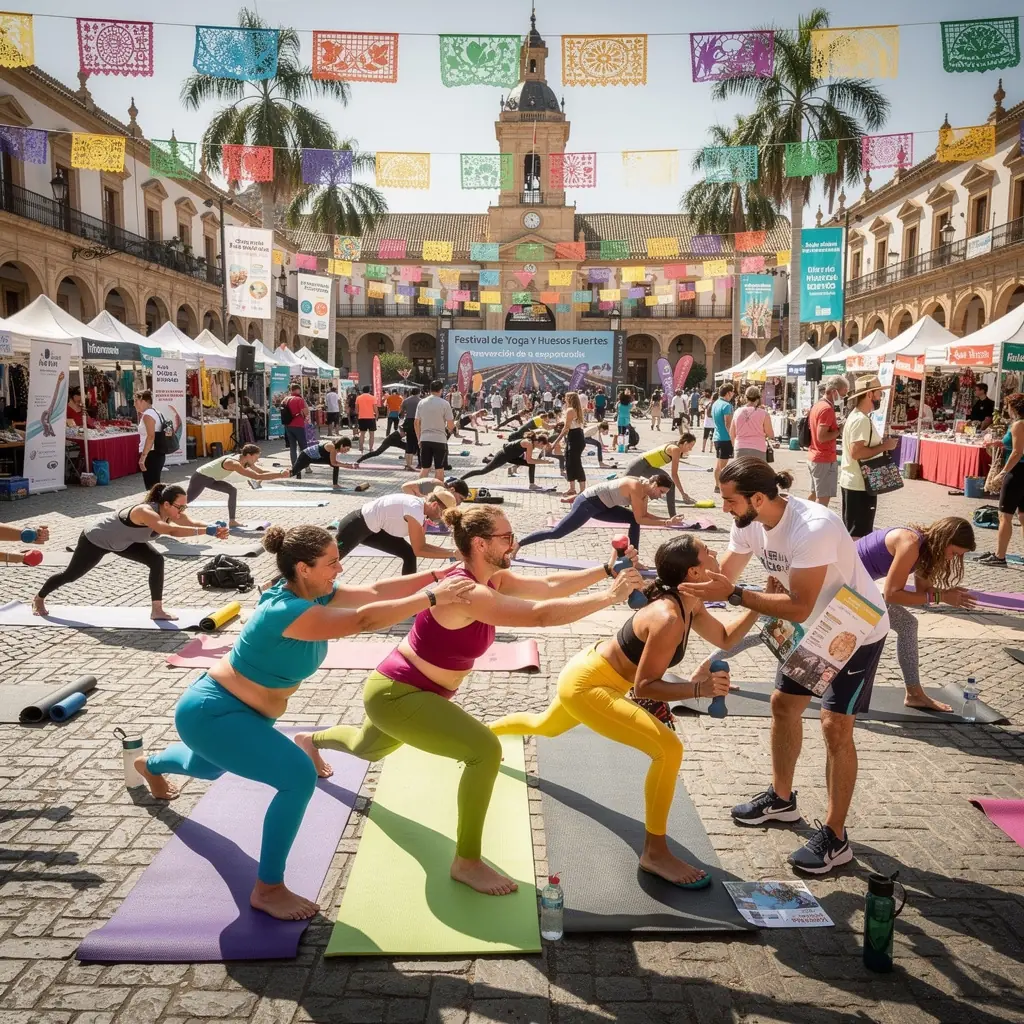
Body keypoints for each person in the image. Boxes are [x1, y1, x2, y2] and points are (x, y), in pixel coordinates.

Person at [297, 505, 643, 896]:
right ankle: (466, 861)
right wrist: (610, 597)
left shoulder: (492, 578)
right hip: (399, 693)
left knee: (367, 748)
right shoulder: (466, 591)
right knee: (485, 751)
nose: (513, 543)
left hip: (403, 690)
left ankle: (311, 740)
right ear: (480, 544)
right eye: (506, 537)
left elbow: (547, 586)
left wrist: (605, 570)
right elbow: (540, 615)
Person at [134, 524, 475, 920]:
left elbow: (376, 591)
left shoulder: (310, 593)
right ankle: (268, 889)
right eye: (332, 562)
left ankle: (150, 764)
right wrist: (432, 597)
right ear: (303, 568)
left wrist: (437, 574)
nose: (340, 569)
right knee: (297, 776)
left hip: (241, 717)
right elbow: (364, 620)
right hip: (213, 712)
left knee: (206, 767)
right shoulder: (286, 610)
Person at [491, 535, 758, 887]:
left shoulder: (690, 600)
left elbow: (724, 638)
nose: (714, 552)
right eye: (707, 552)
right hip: (587, 686)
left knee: (545, 726)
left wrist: (757, 605)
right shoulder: (668, 617)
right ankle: (654, 854)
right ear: (693, 572)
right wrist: (699, 690)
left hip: (590, 672)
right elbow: (644, 687)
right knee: (669, 750)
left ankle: (486, 734)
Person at [679, 458, 890, 875]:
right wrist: (672, 581)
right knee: (783, 705)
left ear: (758, 498)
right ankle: (781, 800)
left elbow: (798, 605)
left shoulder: (812, 526)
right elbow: (722, 575)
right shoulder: (748, 524)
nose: (724, 508)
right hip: (812, 629)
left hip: (853, 626)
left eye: (730, 500)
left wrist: (737, 595)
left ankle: (836, 836)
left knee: (834, 726)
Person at [32, 483, 230, 621]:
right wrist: (206, 531)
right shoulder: (145, 511)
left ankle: (157, 610)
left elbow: (191, 522)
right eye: (180, 506)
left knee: (156, 560)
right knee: (71, 575)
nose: (182, 510)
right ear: (166, 504)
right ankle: (39, 597)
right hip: (96, 539)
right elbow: (169, 531)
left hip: (125, 542)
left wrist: (213, 527)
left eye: (185, 506)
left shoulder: (172, 511)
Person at [857, 517, 976, 712]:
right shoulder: (910, 544)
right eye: (954, 553)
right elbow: (892, 594)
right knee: (907, 624)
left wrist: (946, 593)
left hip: (853, 584)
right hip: (839, 584)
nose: (951, 559)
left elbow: (924, 591)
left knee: (907, 624)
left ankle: (913, 693)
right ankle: (914, 693)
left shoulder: (923, 548)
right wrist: (942, 597)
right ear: (944, 540)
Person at [518, 475, 680, 552]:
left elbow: (644, 516)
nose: (660, 496)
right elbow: (641, 518)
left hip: (604, 506)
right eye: (661, 491)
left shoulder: (644, 492)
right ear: (654, 484)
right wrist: (666, 523)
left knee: (632, 520)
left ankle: (632, 558)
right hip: (588, 503)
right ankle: (519, 544)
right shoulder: (636, 487)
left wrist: (668, 519)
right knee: (557, 533)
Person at [335, 489, 459, 574]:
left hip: (373, 530)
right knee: (329, 559)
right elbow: (420, 550)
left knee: (408, 554)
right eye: (442, 514)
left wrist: (454, 553)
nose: (441, 519)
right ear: (434, 505)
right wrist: (453, 554)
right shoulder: (415, 510)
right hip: (355, 526)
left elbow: (422, 545)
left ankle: (407, 598)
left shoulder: (420, 509)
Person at [839, 375, 899, 539]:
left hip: (855, 481)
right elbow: (856, 452)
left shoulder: (857, 416)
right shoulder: (861, 420)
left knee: (855, 531)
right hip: (860, 484)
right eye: (879, 393)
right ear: (869, 394)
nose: (881, 397)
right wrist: (885, 446)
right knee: (859, 534)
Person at [187, 445, 291, 526]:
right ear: (249, 455)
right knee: (186, 500)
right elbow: (257, 476)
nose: (257, 460)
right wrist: (280, 475)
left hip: (212, 479)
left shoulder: (245, 459)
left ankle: (232, 521)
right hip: (200, 477)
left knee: (232, 491)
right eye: (256, 457)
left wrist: (280, 471)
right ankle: (175, 516)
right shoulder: (234, 463)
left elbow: (260, 471)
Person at [978, 392, 1024, 567]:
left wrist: (1004, 472)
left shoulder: (1018, 424)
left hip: (1017, 472)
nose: (1007, 409)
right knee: (1023, 516)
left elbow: (1018, 452)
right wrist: (1000, 444)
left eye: (1008, 406)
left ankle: (1000, 556)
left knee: (1005, 515)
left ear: (1014, 408)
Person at [624, 434, 697, 514]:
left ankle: (672, 515)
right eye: (690, 446)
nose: (691, 449)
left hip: (646, 466)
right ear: (685, 443)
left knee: (669, 484)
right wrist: (683, 494)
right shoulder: (675, 449)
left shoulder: (676, 447)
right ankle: (673, 516)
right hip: (638, 465)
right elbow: (674, 474)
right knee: (623, 494)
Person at [807, 376, 849, 507]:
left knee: (815, 493)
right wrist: (839, 431)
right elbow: (822, 436)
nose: (844, 397)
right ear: (834, 391)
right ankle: (817, 519)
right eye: (843, 394)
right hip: (823, 458)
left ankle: (803, 515)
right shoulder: (827, 409)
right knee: (823, 498)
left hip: (816, 456)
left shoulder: (818, 405)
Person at [461, 433, 551, 490]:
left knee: (532, 465)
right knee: (483, 471)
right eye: (542, 446)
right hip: (503, 455)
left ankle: (532, 484)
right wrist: (544, 462)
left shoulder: (532, 443)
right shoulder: (529, 444)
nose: (542, 448)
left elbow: (529, 460)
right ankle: (460, 479)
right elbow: (529, 460)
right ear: (539, 442)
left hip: (512, 457)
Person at [549, 392, 587, 501]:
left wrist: (555, 442)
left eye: (566, 398)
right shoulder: (576, 409)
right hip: (576, 436)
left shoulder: (570, 410)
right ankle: (572, 488)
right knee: (569, 462)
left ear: (569, 399)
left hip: (575, 437)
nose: (564, 399)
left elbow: (566, 429)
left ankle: (582, 490)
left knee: (576, 463)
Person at [416, 379, 455, 483]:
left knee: (425, 468)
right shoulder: (445, 404)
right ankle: (437, 491)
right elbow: (451, 425)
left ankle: (420, 490)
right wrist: (450, 430)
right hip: (440, 439)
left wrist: (419, 438)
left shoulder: (421, 402)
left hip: (425, 439)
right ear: (441, 390)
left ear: (430, 389)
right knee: (439, 469)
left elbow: (416, 422)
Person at [135, 390, 165, 489]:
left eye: (136, 401)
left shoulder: (148, 415)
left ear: (143, 401)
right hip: (157, 452)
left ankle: (158, 499)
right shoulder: (156, 412)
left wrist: (143, 457)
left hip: (151, 453)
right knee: (154, 485)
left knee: (151, 487)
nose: (135, 404)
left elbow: (151, 436)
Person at [711, 383, 735, 494]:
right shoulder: (727, 405)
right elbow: (728, 423)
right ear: (728, 393)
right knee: (723, 467)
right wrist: (733, 438)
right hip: (725, 438)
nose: (733, 394)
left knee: (719, 465)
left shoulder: (716, 403)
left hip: (717, 437)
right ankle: (722, 487)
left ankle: (717, 485)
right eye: (732, 392)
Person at [281, 384, 310, 471]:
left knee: (292, 447)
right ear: (298, 390)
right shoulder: (299, 399)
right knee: (303, 446)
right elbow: (306, 412)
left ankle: (294, 466)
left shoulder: (285, 399)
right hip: (298, 425)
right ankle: (306, 466)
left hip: (288, 425)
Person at [399, 388, 421, 471]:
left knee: (409, 442)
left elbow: (401, 413)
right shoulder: (421, 401)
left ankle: (409, 464)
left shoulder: (406, 401)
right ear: (418, 393)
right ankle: (420, 463)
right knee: (419, 442)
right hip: (418, 422)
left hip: (408, 422)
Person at [402, 477, 470, 502]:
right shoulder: (437, 487)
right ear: (452, 490)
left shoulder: (443, 492)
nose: (460, 503)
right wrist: (419, 497)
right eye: (460, 498)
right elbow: (405, 486)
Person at [355, 386, 378, 453]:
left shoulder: (358, 398)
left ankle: (361, 448)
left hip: (362, 417)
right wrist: (377, 416)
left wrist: (359, 414)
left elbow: (356, 410)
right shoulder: (373, 398)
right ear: (369, 390)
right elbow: (375, 409)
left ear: (362, 390)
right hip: (371, 418)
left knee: (362, 434)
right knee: (371, 434)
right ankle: (370, 448)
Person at [700, 390, 715, 454]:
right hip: (713, 423)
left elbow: (702, 408)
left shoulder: (707, 402)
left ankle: (703, 448)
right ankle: (710, 449)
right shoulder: (716, 404)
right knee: (712, 436)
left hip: (707, 422)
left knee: (705, 436)